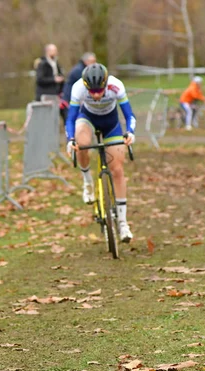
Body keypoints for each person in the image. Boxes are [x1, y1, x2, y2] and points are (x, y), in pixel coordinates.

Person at [65, 63, 136, 243]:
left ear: (106, 84)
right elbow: (71, 118)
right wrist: (70, 139)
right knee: (82, 143)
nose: (96, 95)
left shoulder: (116, 85)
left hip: (111, 123)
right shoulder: (78, 87)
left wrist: (130, 132)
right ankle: (87, 182)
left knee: (118, 170)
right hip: (87, 119)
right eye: (92, 91)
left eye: (99, 90)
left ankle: (123, 223)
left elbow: (129, 115)